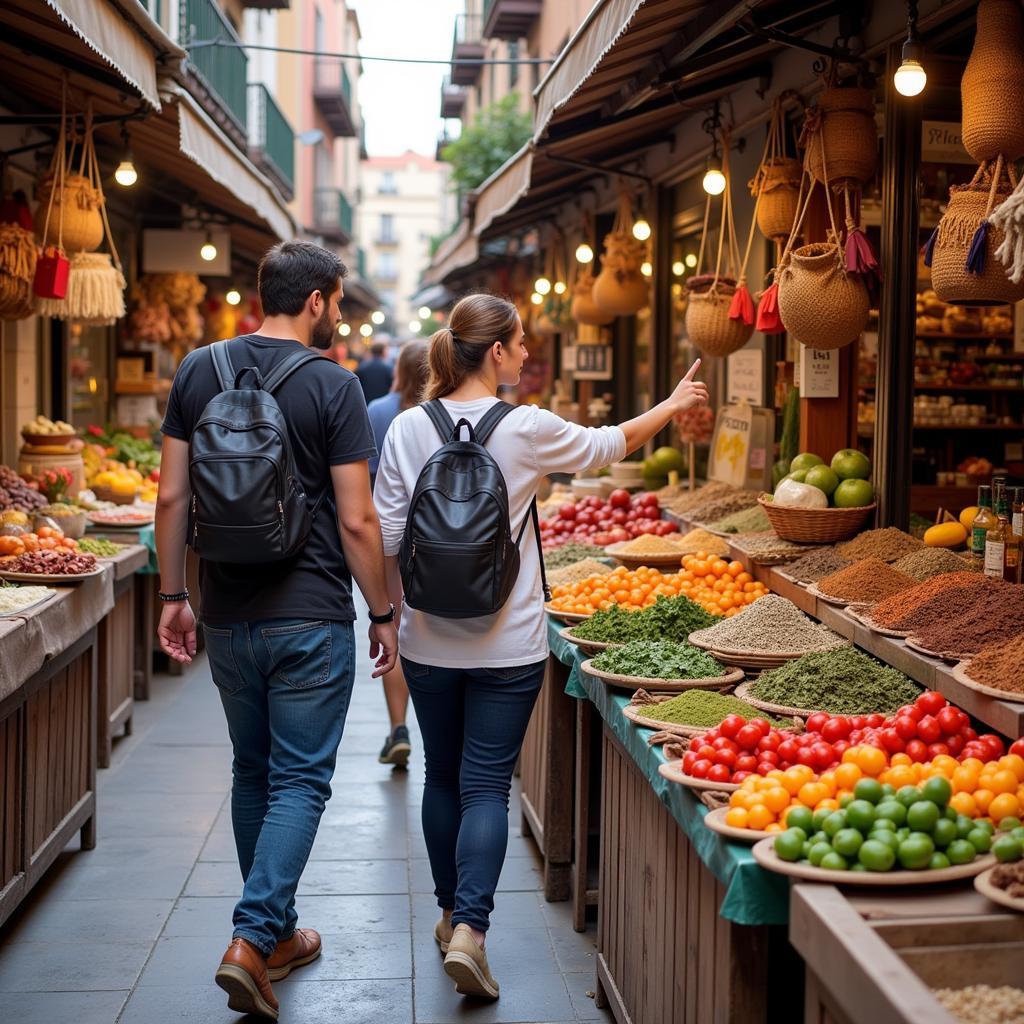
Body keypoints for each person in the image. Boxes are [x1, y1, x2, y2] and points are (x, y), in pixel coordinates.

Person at [372, 292, 708, 1000]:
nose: (526, 354)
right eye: (521, 342)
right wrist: (673, 404)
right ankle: (472, 930)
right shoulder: (526, 428)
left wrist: (387, 614)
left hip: (428, 640)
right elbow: (611, 442)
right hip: (509, 643)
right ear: (495, 351)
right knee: (488, 785)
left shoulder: (406, 428)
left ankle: (445, 913)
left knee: (442, 777)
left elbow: (389, 538)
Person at [155, 240, 398, 1022]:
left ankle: (280, 933)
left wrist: (172, 594)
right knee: (299, 779)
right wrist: (384, 611)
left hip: (226, 613)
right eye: (338, 301)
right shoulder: (335, 386)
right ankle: (253, 939)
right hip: (311, 614)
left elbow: (169, 498)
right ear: (320, 300)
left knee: (252, 772)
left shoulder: (198, 369)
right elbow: (357, 519)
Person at [366, 339, 429, 767]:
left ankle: (398, 728)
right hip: (437, 547)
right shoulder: (436, 416)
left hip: (388, 547)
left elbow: (367, 485)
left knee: (393, 631)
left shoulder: (377, 412)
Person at [356, 339, 393, 404]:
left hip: (365, 402)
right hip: (382, 403)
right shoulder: (388, 368)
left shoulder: (362, 367)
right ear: (383, 352)